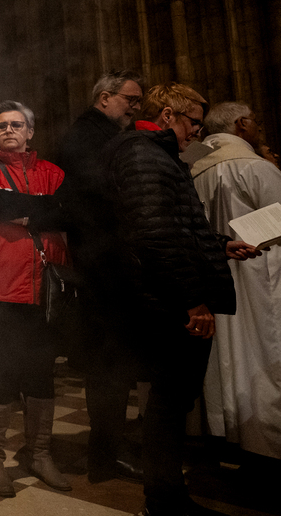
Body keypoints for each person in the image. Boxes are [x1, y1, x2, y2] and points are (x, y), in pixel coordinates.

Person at [100, 83, 260, 516]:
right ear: (168, 115)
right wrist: (192, 300)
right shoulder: (143, 154)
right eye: (193, 122)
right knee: (168, 406)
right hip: (168, 302)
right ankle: (164, 502)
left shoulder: (156, 153)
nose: (197, 132)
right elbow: (155, 235)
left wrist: (221, 244)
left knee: (172, 403)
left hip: (169, 296)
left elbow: (177, 225)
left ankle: (167, 498)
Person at [0, 100, 71, 497]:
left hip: (46, 286)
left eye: (17, 124)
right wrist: (43, 208)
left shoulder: (54, 173)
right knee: (1, 371)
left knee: (41, 371)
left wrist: (25, 212)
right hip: (0, 287)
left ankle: (39, 454)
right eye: (2, 126)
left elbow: (71, 212)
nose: (9, 130)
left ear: (30, 131)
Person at [55, 69, 145, 483]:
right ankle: (107, 453)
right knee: (109, 363)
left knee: (116, 363)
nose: (135, 108)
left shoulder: (104, 133)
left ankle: (109, 448)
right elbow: (102, 193)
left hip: (110, 261)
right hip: (102, 265)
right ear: (105, 97)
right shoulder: (86, 136)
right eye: (130, 99)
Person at [190, 102, 281, 462]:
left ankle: (219, 430)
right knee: (261, 355)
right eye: (255, 121)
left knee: (222, 359)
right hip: (259, 275)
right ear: (242, 124)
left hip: (210, 276)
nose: (257, 128)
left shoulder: (193, 168)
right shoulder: (255, 166)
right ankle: (263, 438)